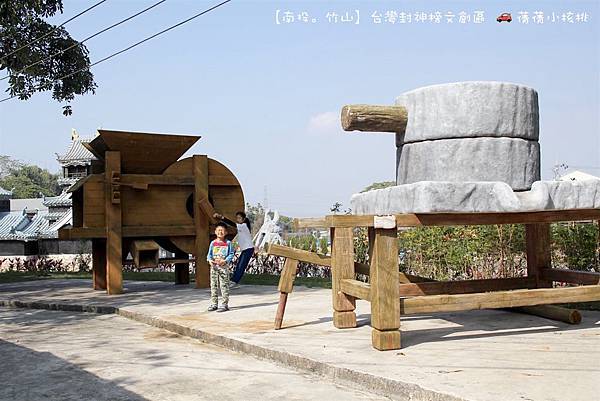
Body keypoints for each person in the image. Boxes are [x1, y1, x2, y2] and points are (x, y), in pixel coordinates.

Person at [213, 211, 254, 289]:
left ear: (244, 219)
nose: (237, 219)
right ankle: (234, 281)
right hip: (246, 249)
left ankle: (234, 281)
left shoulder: (243, 226)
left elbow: (232, 224)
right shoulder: (241, 227)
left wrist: (221, 217)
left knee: (241, 266)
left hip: (248, 249)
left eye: (239, 218)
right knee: (239, 265)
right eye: (237, 218)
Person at [206, 223, 234, 312]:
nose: (220, 232)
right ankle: (214, 303)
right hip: (214, 267)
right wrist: (210, 261)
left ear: (226, 232)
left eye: (222, 230)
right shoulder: (213, 243)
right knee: (213, 285)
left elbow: (231, 254)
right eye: (218, 230)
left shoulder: (228, 243)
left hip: (223, 267)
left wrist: (225, 261)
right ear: (215, 232)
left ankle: (224, 304)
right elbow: (209, 255)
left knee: (224, 285)